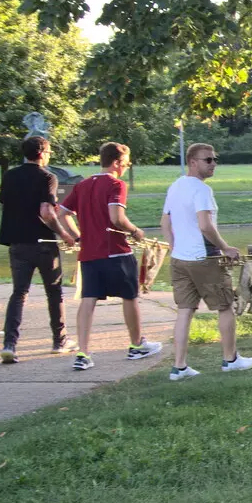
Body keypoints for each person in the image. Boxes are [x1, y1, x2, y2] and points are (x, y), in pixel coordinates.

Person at [55, 142, 161, 370]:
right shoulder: (116, 184)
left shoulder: (82, 185)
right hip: (116, 252)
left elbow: (62, 214)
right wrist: (135, 231)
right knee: (130, 296)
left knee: (88, 299)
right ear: (116, 163)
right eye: (125, 163)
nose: (126, 167)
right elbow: (116, 218)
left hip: (89, 254)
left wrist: (78, 236)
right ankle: (136, 345)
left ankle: (83, 353)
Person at [160, 143, 252, 379]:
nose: (213, 164)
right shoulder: (201, 190)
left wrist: (175, 246)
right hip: (205, 258)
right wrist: (225, 247)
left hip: (180, 259)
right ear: (193, 162)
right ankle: (230, 359)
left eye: (215, 159)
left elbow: (165, 223)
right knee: (225, 307)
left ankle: (179, 367)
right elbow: (205, 225)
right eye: (208, 160)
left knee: (185, 310)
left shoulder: (175, 187)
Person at [0, 135, 76, 363]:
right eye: (49, 152)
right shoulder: (48, 178)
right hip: (43, 244)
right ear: (41, 153)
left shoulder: (9, 175)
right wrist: (65, 234)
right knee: (53, 291)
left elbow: (4, 202)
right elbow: (47, 212)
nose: (49, 155)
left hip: (17, 243)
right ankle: (59, 341)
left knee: (19, 293)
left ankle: (10, 344)